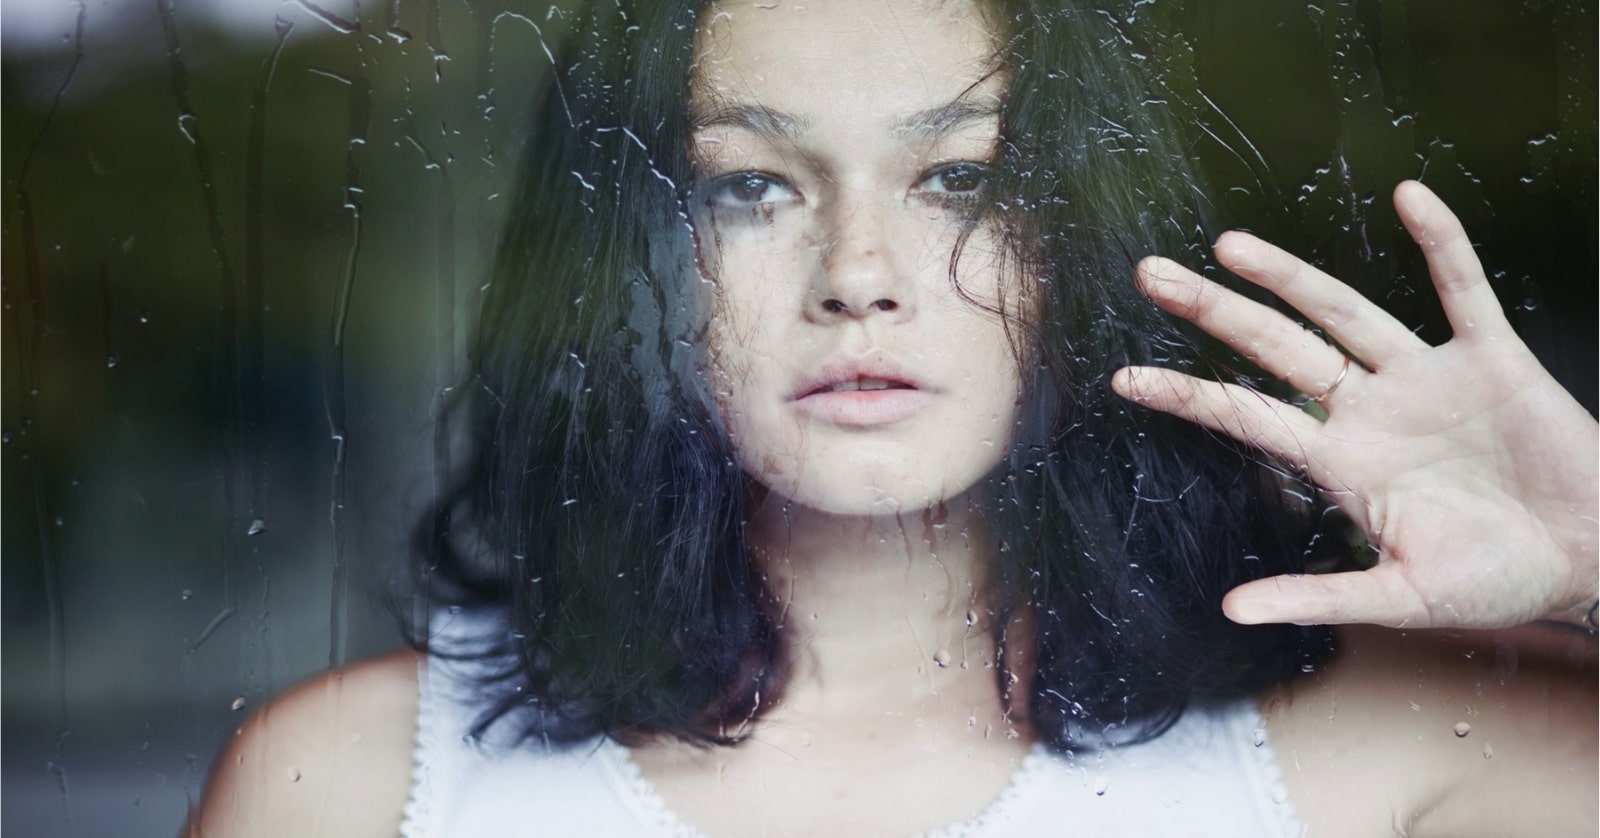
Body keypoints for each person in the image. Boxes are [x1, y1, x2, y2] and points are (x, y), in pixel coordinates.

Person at [185, 1, 1598, 835]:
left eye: (962, 180)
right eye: (748, 186)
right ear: (634, 255)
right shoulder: (349, 783)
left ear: (1086, 246)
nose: (859, 277)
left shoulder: (1393, 741)